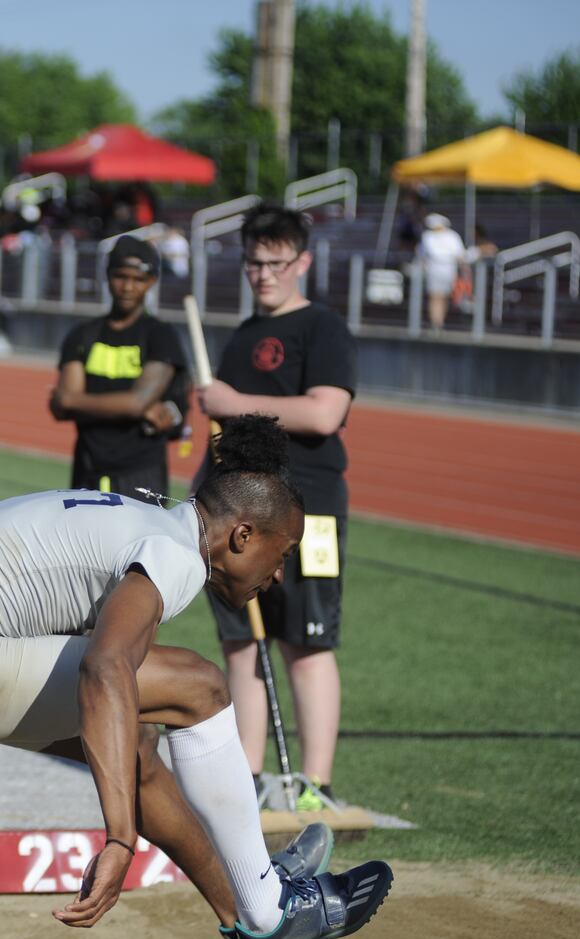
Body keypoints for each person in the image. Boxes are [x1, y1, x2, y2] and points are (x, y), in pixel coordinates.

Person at [0, 415, 392, 939]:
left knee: (136, 746)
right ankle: (269, 908)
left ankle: (249, 909)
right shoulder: (175, 553)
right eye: (282, 554)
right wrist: (119, 839)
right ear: (243, 534)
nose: (277, 575)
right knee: (198, 686)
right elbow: (103, 669)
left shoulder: (150, 523)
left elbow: (3, 639)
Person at [192, 205, 356, 809]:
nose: (263, 273)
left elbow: (323, 413)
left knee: (306, 643)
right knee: (242, 642)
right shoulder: (238, 337)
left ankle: (314, 784)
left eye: (276, 262)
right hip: (239, 517)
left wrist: (233, 403)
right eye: (254, 261)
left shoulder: (323, 329)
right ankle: (249, 780)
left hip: (309, 511)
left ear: (302, 262)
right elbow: (223, 438)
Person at [50, 235, 189, 502]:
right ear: (108, 275)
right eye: (120, 276)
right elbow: (63, 402)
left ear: (151, 282)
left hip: (141, 474)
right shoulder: (83, 335)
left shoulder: (161, 336)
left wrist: (80, 401)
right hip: (87, 468)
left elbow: (133, 402)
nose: (128, 287)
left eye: (138, 279)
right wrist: (134, 405)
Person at [417, 213, 467, 334]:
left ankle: (438, 322)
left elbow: (460, 256)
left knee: (440, 297)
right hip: (439, 270)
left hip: (444, 270)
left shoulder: (431, 236)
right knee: (437, 297)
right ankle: (437, 322)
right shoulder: (432, 236)